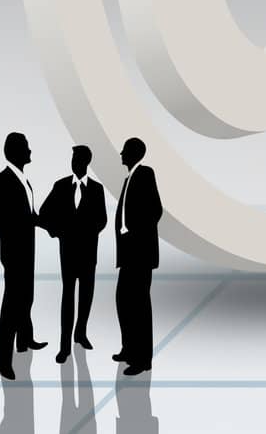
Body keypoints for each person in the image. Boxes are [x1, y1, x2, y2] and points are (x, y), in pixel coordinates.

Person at [39, 145, 107, 364]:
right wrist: (58, 232)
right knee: (67, 297)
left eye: (78, 158)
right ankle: (64, 345)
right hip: (67, 252)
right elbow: (44, 213)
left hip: (88, 252)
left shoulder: (97, 189)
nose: (74, 162)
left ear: (86, 162)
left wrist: (88, 231)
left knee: (86, 296)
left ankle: (81, 333)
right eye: (73, 158)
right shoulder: (60, 186)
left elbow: (102, 219)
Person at [0, 132, 47, 379]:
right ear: (15, 151)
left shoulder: (24, 181)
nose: (31, 151)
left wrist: (47, 223)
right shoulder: (3, 182)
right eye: (26, 147)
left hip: (27, 251)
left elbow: (30, 215)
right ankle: (4, 360)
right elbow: (9, 222)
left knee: (26, 297)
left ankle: (25, 340)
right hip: (15, 253)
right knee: (12, 304)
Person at [112, 137, 161, 376]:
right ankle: (129, 348)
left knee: (139, 305)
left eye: (124, 151)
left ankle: (142, 359)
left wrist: (134, 232)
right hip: (129, 254)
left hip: (140, 254)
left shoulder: (145, 174)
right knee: (124, 301)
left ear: (133, 153)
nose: (120, 154)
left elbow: (155, 210)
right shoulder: (129, 178)